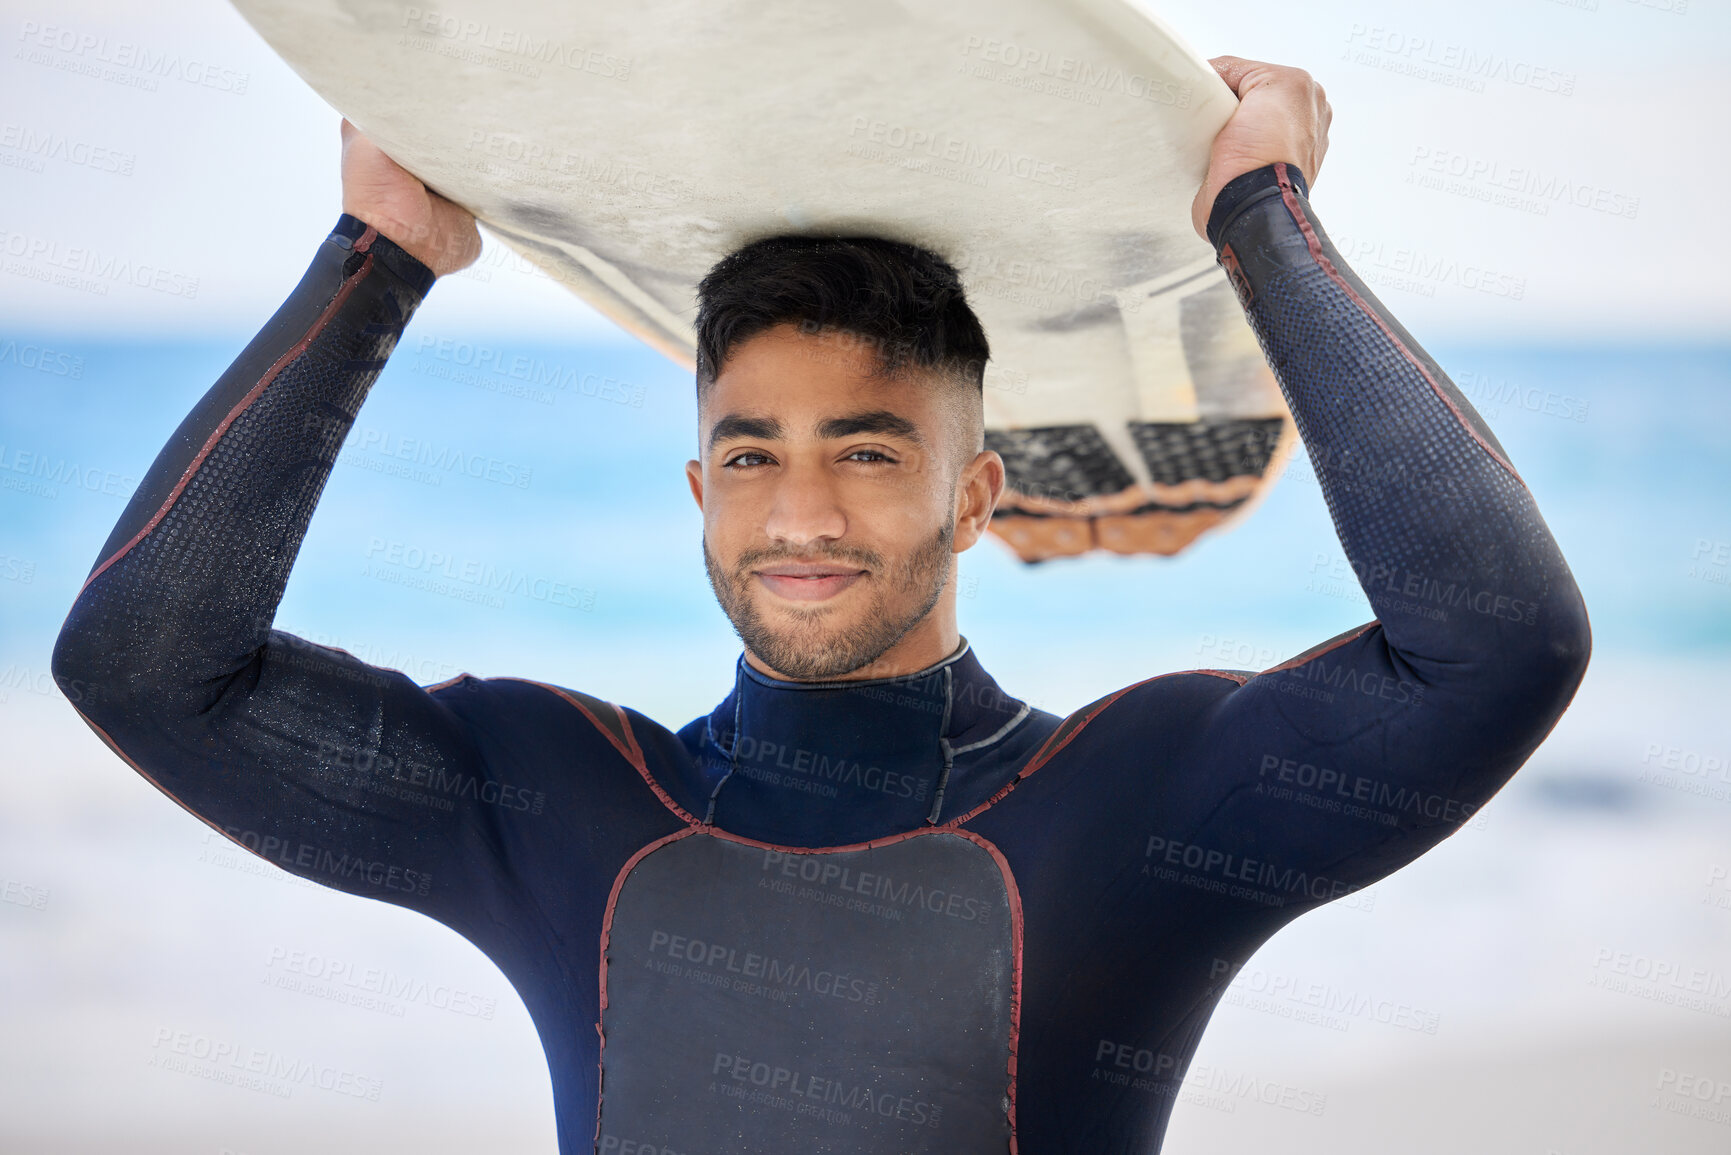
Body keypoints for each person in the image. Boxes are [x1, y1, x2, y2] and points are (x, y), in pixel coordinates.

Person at [52, 56, 1589, 1154]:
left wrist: (1261, 214)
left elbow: (1498, 644)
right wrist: (377, 262)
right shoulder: (556, 798)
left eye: (867, 450)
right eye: (749, 454)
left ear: (976, 497)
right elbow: (141, 664)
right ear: (699, 490)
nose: (797, 514)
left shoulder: (1138, 804)